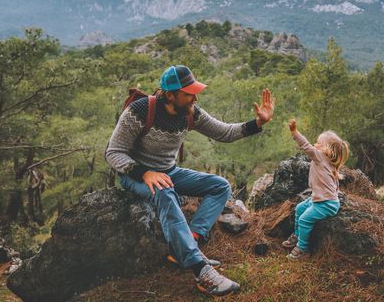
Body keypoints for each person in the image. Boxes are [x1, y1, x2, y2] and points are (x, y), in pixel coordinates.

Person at [105, 65, 275, 296]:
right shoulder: (140, 111)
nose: (195, 97)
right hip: (135, 176)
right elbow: (113, 152)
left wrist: (258, 123)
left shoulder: (190, 112)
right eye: (189, 92)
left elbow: (224, 132)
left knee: (220, 186)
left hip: (169, 171)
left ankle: (190, 242)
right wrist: (144, 173)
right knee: (164, 192)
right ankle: (201, 271)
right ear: (170, 94)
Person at [282, 119, 349, 259]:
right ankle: (298, 235)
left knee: (304, 220)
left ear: (327, 149)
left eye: (319, 143)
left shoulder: (320, 157)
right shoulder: (329, 162)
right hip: (320, 199)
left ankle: (303, 249)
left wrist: (295, 132)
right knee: (300, 208)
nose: (315, 144)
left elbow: (306, 146)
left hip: (326, 204)